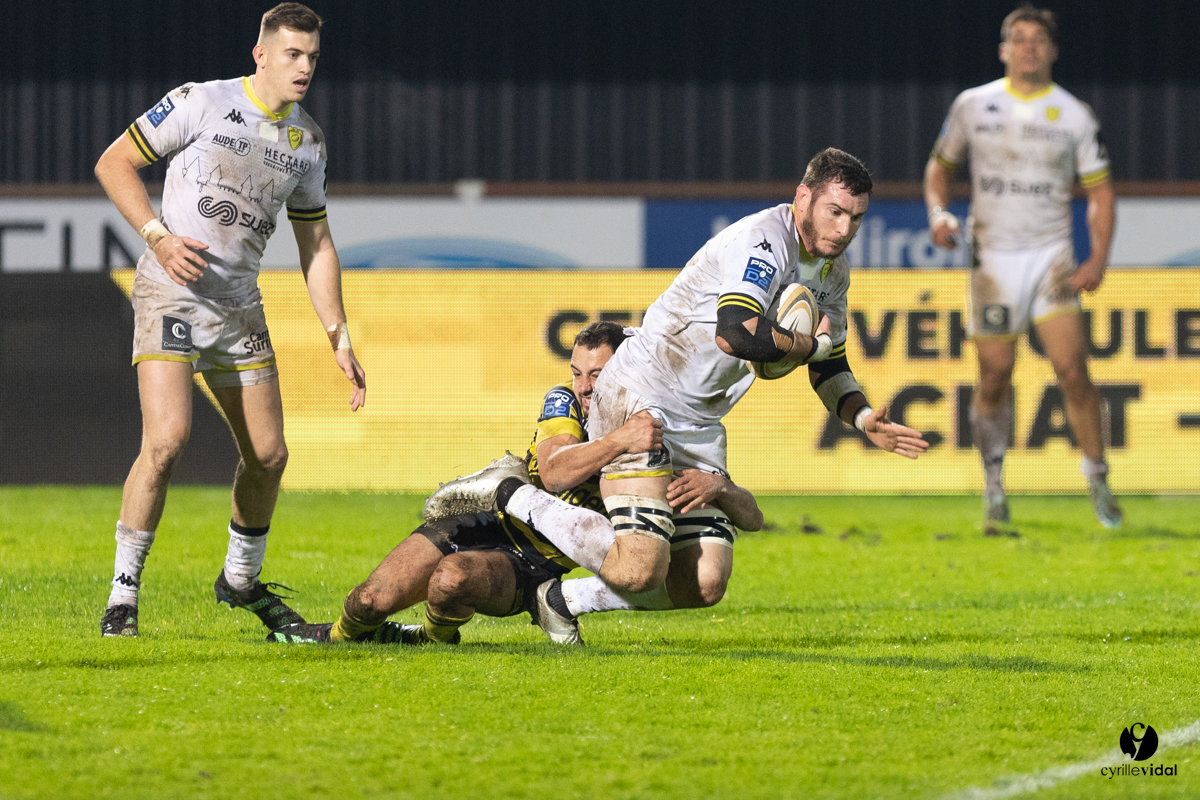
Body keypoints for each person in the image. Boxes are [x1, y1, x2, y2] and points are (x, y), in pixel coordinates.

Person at [424, 148, 929, 622]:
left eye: (856, 218)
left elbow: (830, 362)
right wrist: (803, 346)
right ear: (804, 197)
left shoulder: (833, 271)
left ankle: (561, 598)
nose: (845, 230)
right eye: (835, 212)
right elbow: (734, 333)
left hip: (701, 419)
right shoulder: (762, 241)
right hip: (642, 394)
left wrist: (863, 419)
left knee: (703, 582)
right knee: (639, 568)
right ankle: (510, 492)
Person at [94, 3, 365, 637]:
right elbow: (114, 163)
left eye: (314, 58)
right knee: (166, 441)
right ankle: (122, 598)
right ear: (261, 54)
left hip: (239, 305)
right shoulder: (201, 101)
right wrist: (158, 237)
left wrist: (339, 335)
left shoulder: (308, 142)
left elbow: (316, 243)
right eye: (294, 54)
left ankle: (239, 582)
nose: (305, 68)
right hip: (171, 291)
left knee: (269, 456)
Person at [269, 322, 763, 645]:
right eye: (578, 373)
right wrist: (621, 441)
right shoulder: (566, 404)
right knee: (366, 602)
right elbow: (554, 470)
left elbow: (753, 518)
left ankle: (430, 644)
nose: (586, 387)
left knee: (451, 582)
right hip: (483, 518)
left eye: (598, 374)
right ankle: (332, 640)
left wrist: (719, 488)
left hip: (536, 564)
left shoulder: (655, 424)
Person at [923, 5, 1121, 531]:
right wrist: (939, 215)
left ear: (1053, 51)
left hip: (1051, 256)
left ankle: (1097, 476)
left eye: (1039, 40)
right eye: (1019, 38)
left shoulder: (1073, 114)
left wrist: (1097, 257)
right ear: (1004, 49)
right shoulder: (974, 105)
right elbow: (939, 168)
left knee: (1073, 371)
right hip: (992, 258)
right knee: (993, 376)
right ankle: (993, 486)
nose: (1029, 47)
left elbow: (1100, 192)